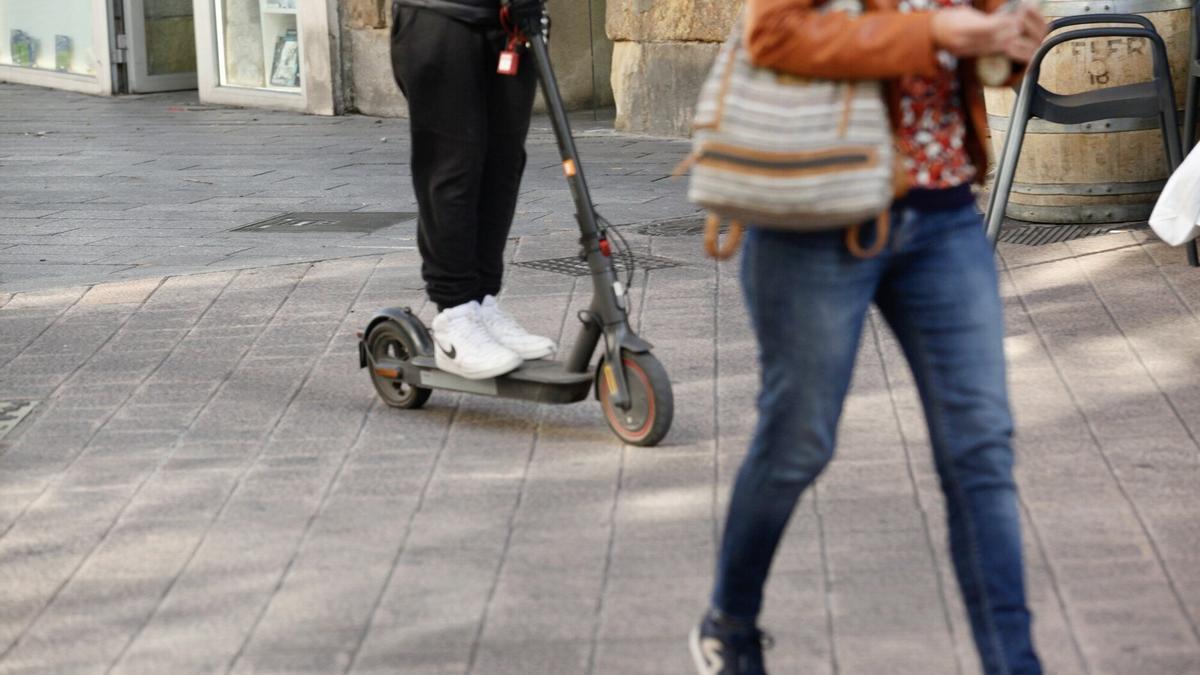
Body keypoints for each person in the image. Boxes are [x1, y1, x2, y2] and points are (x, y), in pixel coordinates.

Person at [689, 0, 1049, 674]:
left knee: (981, 452)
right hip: (815, 208)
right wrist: (934, 31)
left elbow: (978, 56)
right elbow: (773, 31)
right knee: (799, 441)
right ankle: (729, 621)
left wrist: (1011, 41)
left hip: (943, 214)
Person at [390, 0, 556, 380]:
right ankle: (455, 315)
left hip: (511, 21)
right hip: (440, 15)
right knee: (453, 168)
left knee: (503, 166)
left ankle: (481, 302)